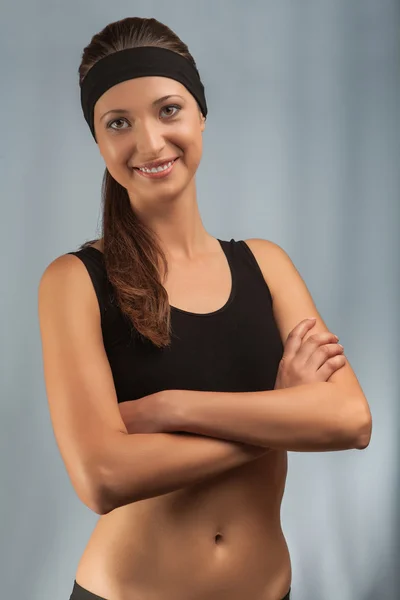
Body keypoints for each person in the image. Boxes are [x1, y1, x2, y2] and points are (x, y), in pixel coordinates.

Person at [37, 16, 372, 600]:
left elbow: (350, 420)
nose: (149, 142)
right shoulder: (75, 281)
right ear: (98, 141)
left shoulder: (266, 265)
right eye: (119, 122)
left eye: (169, 110)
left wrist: (170, 408)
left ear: (201, 115)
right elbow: (103, 478)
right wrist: (280, 412)